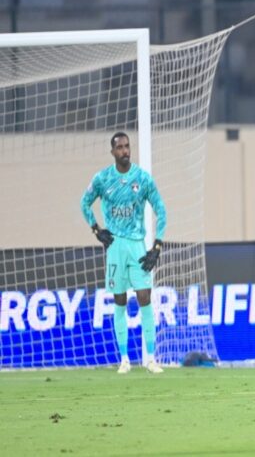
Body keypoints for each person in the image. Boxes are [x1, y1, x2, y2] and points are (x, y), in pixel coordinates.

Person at [81, 131, 167, 374]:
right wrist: (96, 230)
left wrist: (157, 245)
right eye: (120, 147)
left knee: (144, 298)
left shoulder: (142, 178)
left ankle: (151, 358)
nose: (125, 151)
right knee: (119, 300)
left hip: (137, 245)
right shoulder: (102, 179)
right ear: (113, 152)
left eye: (127, 146)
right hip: (115, 246)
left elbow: (161, 210)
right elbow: (84, 203)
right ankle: (124, 359)